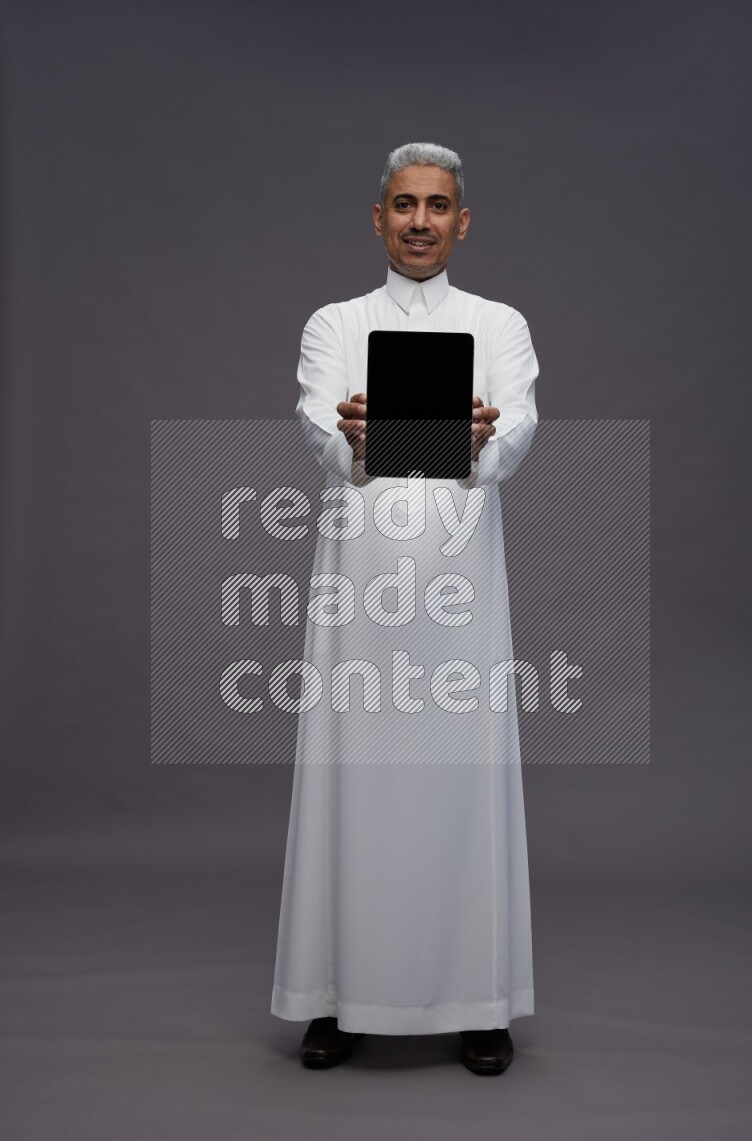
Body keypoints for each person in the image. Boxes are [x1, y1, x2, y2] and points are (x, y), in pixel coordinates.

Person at [270, 142, 540, 1075]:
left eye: (436, 205)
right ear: (378, 218)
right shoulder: (335, 323)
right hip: (361, 592)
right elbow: (318, 420)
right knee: (351, 779)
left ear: (462, 222)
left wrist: (479, 442)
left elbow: (519, 423)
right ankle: (335, 995)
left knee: (465, 780)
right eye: (403, 204)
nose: (419, 221)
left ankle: (479, 1000)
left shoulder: (498, 324)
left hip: (461, 595)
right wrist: (351, 438)